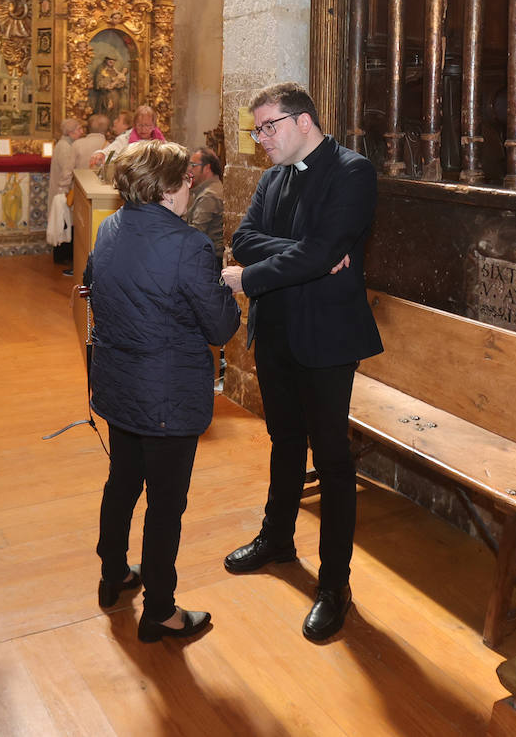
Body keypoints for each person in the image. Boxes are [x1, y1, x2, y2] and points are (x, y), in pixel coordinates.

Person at [219, 82, 383, 643]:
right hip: (277, 330)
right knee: (284, 441)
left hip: (328, 338)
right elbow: (244, 239)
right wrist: (307, 254)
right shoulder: (272, 177)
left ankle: (335, 584)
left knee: (332, 459)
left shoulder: (352, 172)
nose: (260, 139)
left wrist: (256, 275)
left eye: (268, 126)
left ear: (304, 121)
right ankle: (277, 539)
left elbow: (306, 253)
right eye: (256, 129)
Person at [86, 140, 242, 643]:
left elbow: (94, 283)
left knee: (123, 482)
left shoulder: (110, 228)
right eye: (184, 179)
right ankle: (160, 610)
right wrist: (230, 291)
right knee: (165, 504)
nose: (189, 185)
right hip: (167, 395)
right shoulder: (189, 244)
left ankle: (113, 573)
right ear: (169, 187)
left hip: (119, 383)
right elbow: (219, 327)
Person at [47, 117, 82, 267]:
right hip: (62, 191)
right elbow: (67, 170)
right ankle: (62, 257)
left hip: (63, 191)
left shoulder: (66, 145)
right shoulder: (65, 147)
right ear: (71, 132)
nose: (82, 132)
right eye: (79, 129)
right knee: (63, 222)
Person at [184, 146, 224, 254]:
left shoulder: (209, 195)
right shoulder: (209, 188)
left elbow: (195, 232)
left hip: (210, 257)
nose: (189, 170)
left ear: (207, 168)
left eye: (193, 165)